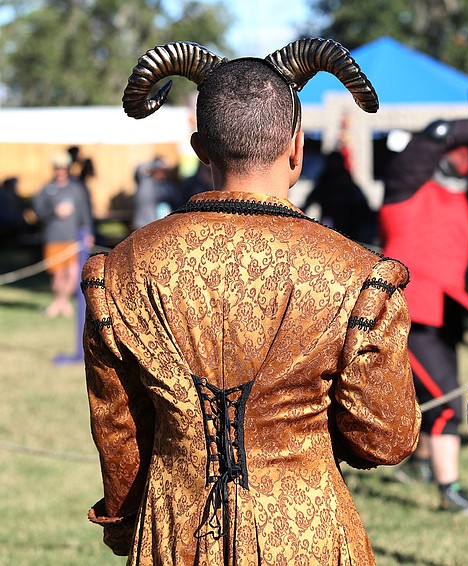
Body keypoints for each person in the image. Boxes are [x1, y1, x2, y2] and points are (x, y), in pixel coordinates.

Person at [81, 38, 421, 565]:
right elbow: (385, 438)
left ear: (200, 150)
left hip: (173, 535)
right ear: (296, 147)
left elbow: (119, 433)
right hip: (308, 536)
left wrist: (128, 532)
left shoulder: (117, 271)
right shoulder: (358, 276)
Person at [379, 83, 468, 517]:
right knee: (443, 400)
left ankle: (421, 463)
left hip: (444, 311)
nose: (464, 154)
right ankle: (449, 489)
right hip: (402, 311)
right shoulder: (404, 184)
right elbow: (436, 134)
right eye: (461, 148)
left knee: (429, 393)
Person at [32, 153, 94, 318]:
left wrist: (88, 231)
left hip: (73, 238)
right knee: (58, 274)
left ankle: (58, 303)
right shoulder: (46, 189)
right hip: (53, 237)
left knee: (74, 273)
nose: (61, 171)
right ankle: (62, 303)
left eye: (64, 168)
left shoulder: (76, 189)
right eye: (58, 168)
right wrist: (54, 211)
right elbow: (37, 212)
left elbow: (85, 212)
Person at [303, 150, 375, 243]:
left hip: (349, 226)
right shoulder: (325, 182)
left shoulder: (347, 183)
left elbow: (362, 206)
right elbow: (310, 200)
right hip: (331, 225)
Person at [131, 156, 179, 230]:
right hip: (143, 224)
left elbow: (176, 202)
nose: (163, 173)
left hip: (160, 226)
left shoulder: (168, 185)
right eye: (160, 170)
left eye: (165, 171)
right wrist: (153, 164)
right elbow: (139, 170)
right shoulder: (145, 182)